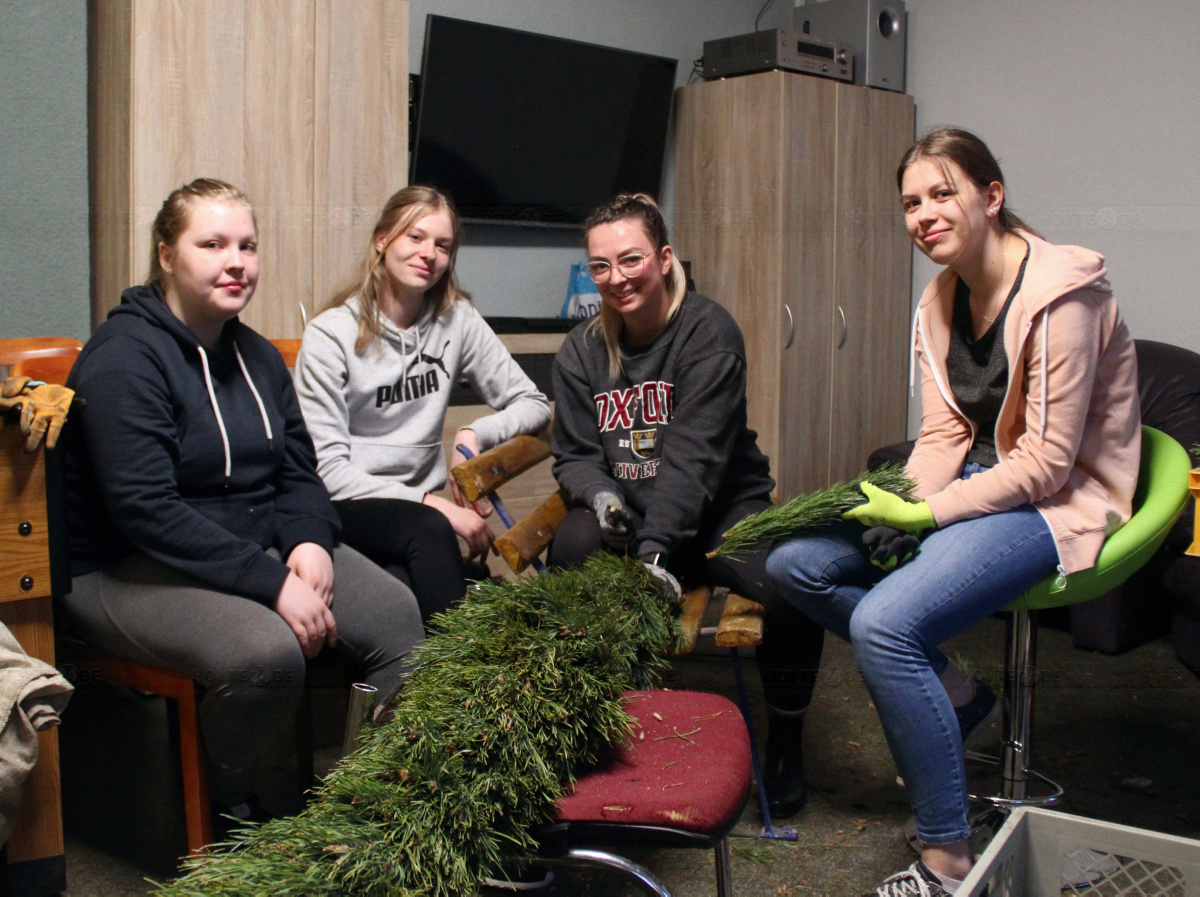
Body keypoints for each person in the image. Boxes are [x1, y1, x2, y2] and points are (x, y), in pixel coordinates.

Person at [766, 128, 1141, 896]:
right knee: (793, 563)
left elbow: (1046, 463)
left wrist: (927, 516)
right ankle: (959, 693)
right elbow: (944, 431)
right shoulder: (938, 298)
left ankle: (947, 860)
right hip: (982, 477)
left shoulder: (1064, 293)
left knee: (884, 624)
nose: (924, 214)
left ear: (991, 196)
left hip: (1058, 500)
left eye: (943, 193)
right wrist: (904, 498)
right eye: (911, 202)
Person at [61, 178, 425, 827]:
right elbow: (146, 510)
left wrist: (310, 540)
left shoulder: (256, 356)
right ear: (167, 254)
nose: (237, 260)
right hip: (124, 565)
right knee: (266, 653)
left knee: (398, 614)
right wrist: (273, 584)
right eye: (214, 243)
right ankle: (228, 796)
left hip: (250, 543)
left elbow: (298, 472)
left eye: (248, 245)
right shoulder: (122, 360)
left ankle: (372, 803)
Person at [549, 193, 827, 817]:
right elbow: (573, 453)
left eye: (631, 259)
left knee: (792, 580)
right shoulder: (582, 351)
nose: (616, 278)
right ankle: (594, 721)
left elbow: (693, 463)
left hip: (718, 514)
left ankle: (785, 739)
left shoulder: (708, 333)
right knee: (571, 548)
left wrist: (653, 556)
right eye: (600, 266)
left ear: (664, 258)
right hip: (636, 520)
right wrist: (601, 499)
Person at [295, 186, 551, 623]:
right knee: (429, 536)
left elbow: (535, 403)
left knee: (412, 587)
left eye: (442, 245)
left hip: (418, 519)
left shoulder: (457, 319)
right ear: (382, 240)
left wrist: (474, 434)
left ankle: (442, 685)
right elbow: (328, 472)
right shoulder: (329, 335)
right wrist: (436, 507)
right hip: (349, 505)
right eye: (414, 237)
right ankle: (462, 682)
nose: (428, 253)